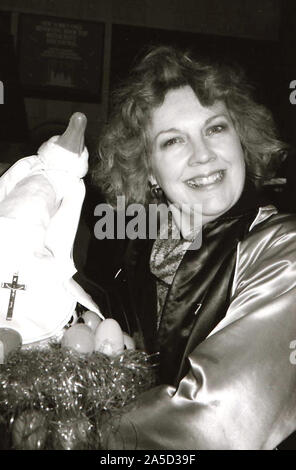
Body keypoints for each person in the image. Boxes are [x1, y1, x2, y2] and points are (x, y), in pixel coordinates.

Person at [93, 46, 296, 449]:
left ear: (242, 140)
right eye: (173, 141)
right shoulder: (146, 250)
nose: (203, 155)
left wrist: (77, 423)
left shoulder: (283, 250)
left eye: (215, 128)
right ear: (149, 169)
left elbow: (212, 429)